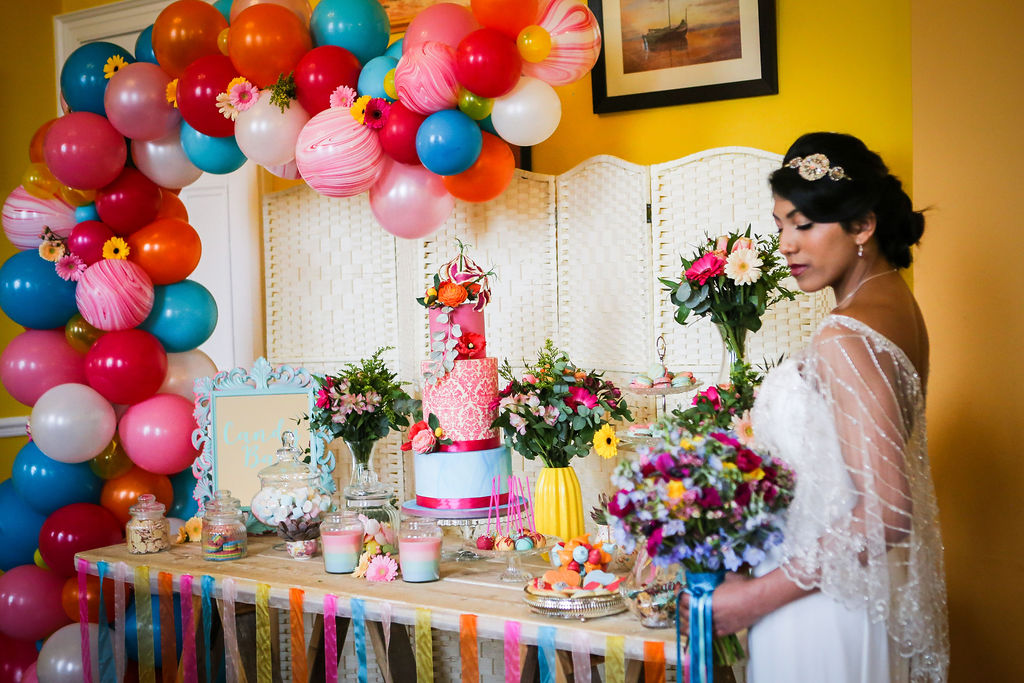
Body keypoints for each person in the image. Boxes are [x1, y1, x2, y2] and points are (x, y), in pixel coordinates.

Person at [700, 133, 949, 682]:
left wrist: (756, 597)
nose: (786, 244)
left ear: (863, 226)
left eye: (804, 224)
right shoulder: (899, 308)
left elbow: (889, 509)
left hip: (816, 608)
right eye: (781, 225)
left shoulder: (845, 334)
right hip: (853, 592)